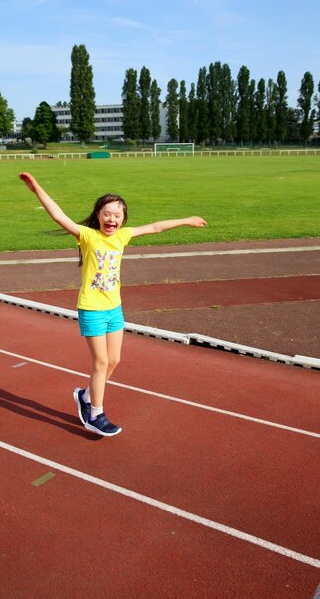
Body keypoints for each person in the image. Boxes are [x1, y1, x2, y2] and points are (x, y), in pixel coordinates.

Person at [19, 171, 207, 437]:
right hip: (92, 308)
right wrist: (36, 188)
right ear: (98, 215)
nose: (112, 219)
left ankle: (85, 395)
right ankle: (95, 413)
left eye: (117, 215)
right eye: (107, 213)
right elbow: (59, 216)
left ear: (123, 219)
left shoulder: (122, 237)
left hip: (114, 308)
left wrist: (187, 220)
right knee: (101, 362)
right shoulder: (86, 235)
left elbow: (154, 227)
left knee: (115, 360)